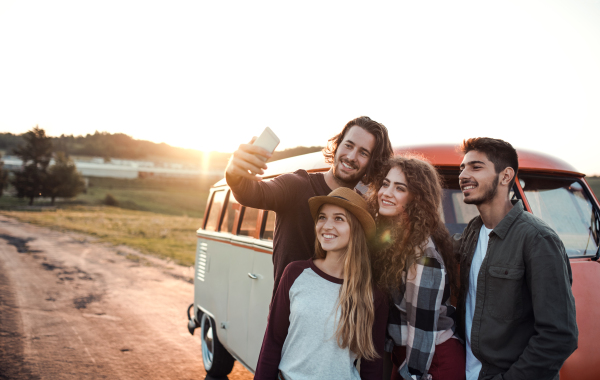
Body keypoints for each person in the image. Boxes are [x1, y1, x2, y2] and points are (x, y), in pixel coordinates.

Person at [455, 138, 578, 380]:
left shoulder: (538, 239)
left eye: (475, 167)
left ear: (505, 176)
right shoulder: (472, 231)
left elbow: (558, 336)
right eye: (462, 168)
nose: (463, 175)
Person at [225, 116, 393, 293]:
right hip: (288, 315)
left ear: (371, 163)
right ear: (337, 145)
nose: (351, 156)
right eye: (348, 145)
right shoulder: (297, 185)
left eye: (363, 153)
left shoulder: (363, 208)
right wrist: (234, 172)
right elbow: (252, 194)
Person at [254, 187, 388, 380]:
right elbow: (273, 341)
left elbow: (372, 365)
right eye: (322, 217)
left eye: (339, 218)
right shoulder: (295, 273)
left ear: (356, 228)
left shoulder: (373, 295)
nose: (326, 225)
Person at [366, 156, 465, 380]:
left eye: (399, 188)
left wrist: (413, 374)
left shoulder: (424, 256)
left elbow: (423, 331)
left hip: (433, 362)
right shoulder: (393, 240)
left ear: (416, 198)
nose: (386, 192)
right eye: (385, 183)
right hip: (406, 358)